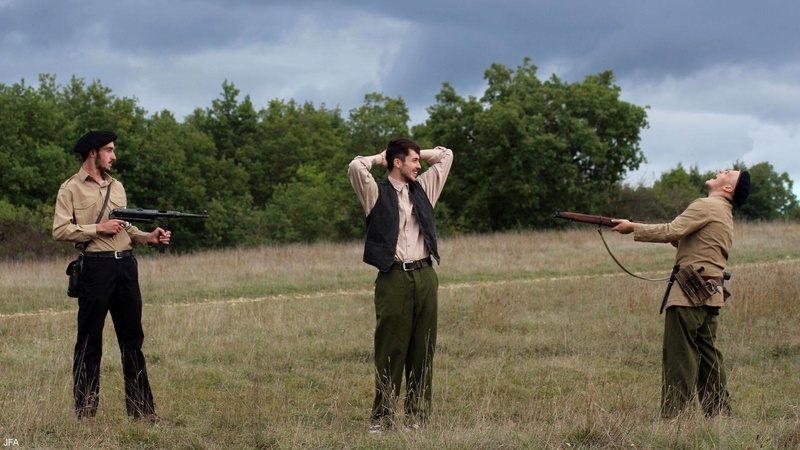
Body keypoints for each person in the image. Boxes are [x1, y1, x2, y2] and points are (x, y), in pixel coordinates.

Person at [53, 130, 171, 424]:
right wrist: (97, 229)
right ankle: (86, 414)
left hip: (126, 268)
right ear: (92, 153)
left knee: (133, 341)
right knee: (90, 343)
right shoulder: (70, 189)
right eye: (108, 150)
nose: (114, 156)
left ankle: (142, 412)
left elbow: (126, 228)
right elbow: (60, 230)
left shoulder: (117, 187)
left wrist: (149, 237)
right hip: (95, 269)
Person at [612, 169, 750, 418]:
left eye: (727, 172)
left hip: (689, 292)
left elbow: (672, 231)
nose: (721, 171)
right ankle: (718, 414)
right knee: (708, 355)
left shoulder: (706, 205)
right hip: (711, 291)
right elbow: (685, 238)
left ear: (728, 188)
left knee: (679, 355)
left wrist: (633, 227)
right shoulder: (723, 212)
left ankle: (673, 418)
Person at [348, 138, 454, 433]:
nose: (420, 165)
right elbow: (355, 167)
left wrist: (417, 152)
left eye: (420, 161)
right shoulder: (375, 193)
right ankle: (382, 419)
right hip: (392, 276)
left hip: (425, 275)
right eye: (414, 161)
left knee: (423, 349)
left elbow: (446, 156)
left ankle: (418, 416)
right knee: (390, 349)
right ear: (398, 163)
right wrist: (381, 156)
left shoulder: (425, 188)